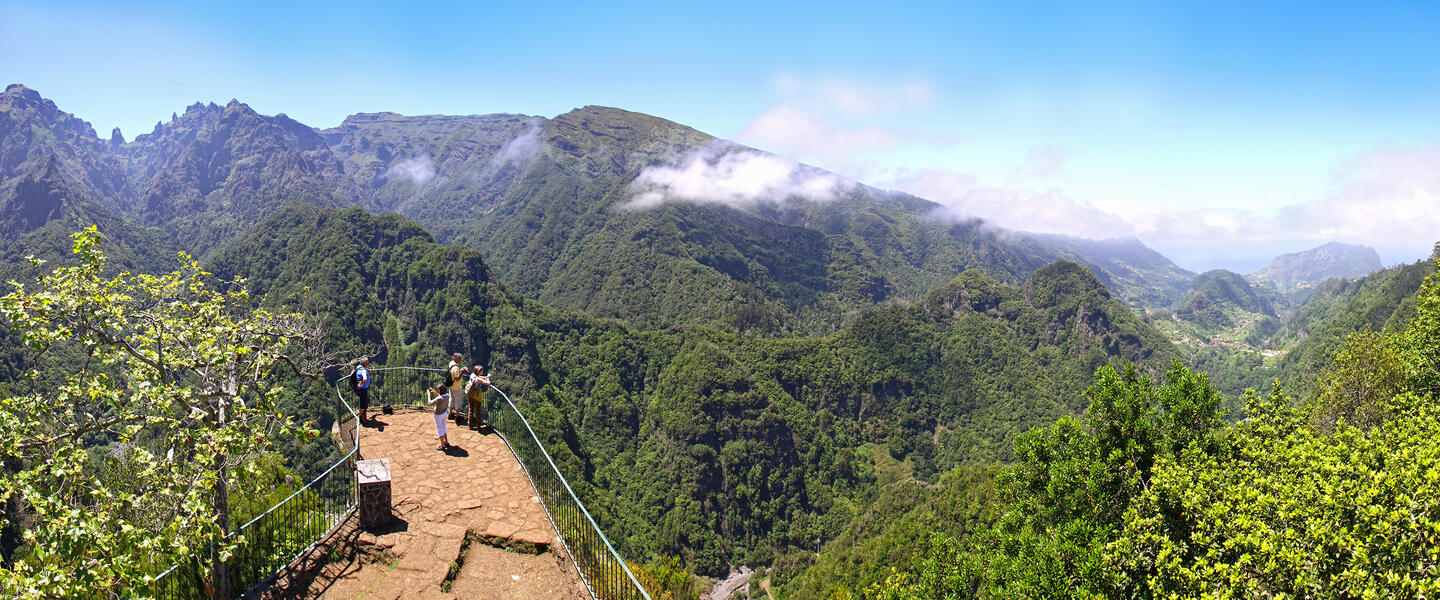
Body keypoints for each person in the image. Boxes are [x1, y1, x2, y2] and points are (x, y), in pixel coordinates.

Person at [426, 382, 452, 451]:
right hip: (444, 413)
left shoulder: (439, 399)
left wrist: (428, 395)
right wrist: (434, 391)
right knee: (444, 428)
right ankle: (446, 442)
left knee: (440, 430)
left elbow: (430, 403)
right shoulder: (447, 396)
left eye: (438, 390)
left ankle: (442, 446)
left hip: (438, 415)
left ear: (440, 391)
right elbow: (440, 396)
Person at [467, 364, 491, 430]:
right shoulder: (478, 379)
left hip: (471, 394)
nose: (482, 371)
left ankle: (470, 424)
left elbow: (480, 377)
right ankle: (478, 425)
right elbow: (487, 383)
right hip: (477, 396)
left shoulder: (472, 375)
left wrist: (485, 377)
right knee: (477, 411)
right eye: (481, 370)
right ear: (479, 371)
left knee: (470, 410)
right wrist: (488, 378)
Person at [353, 357, 372, 424]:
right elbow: (365, 378)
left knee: (364, 402)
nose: (368, 363)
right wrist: (362, 383)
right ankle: (362, 418)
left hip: (359, 389)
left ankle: (362, 418)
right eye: (367, 362)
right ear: (364, 363)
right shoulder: (363, 370)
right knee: (364, 404)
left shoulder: (358, 367)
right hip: (362, 389)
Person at [448, 353, 466, 422]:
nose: (460, 360)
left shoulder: (451, 363)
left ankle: (450, 413)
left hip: (451, 385)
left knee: (451, 399)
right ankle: (457, 416)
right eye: (459, 358)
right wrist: (462, 372)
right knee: (457, 401)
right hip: (456, 387)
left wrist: (460, 370)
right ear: (455, 358)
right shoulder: (455, 368)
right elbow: (457, 378)